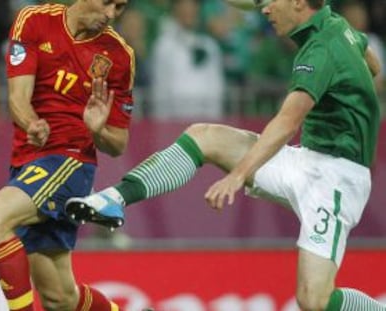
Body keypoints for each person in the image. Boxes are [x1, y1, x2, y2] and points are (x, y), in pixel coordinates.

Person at [66, 0, 386, 310]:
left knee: (314, 300)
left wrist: (237, 175)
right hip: (308, 160)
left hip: (337, 183)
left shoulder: (320, 51)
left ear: (300, 2)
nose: (265, 9)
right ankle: (113, 199)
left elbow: (287, 122)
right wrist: (356, 99)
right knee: (204, 137)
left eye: (273, 1)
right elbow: (372, 65)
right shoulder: (338, 26)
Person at [0, 0, 137, 310]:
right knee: (59, 299)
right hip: (28, 161)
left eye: (119, 8)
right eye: (107, 3)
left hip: (71, 161)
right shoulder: (34, 21)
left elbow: (118, 143)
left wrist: (98, 129)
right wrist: (31, 123)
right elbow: (17, 98)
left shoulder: (119, 56)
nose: (110, 15)